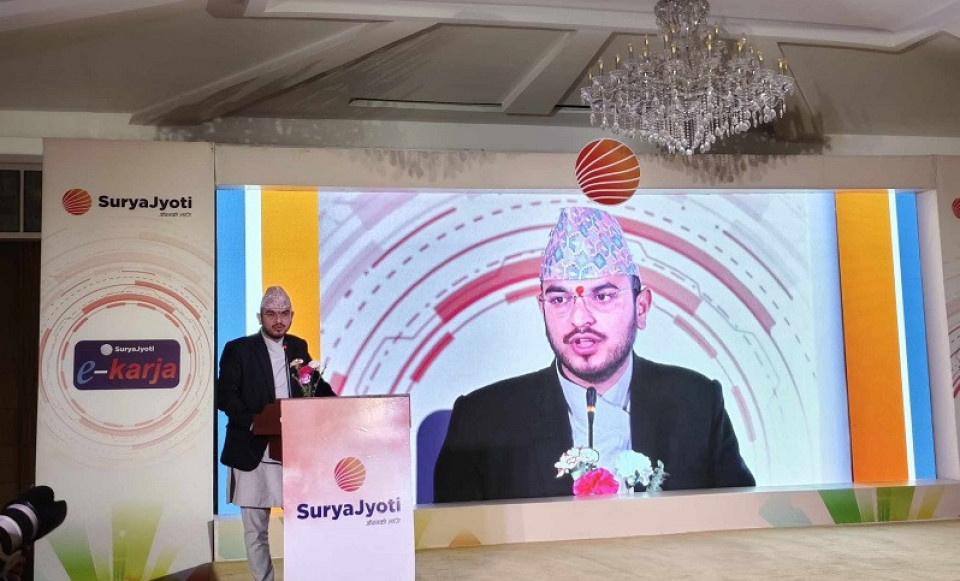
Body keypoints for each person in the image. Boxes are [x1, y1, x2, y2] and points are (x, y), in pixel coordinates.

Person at [433, 206, 754, 503]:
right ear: (542, 308)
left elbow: (741, 522)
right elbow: (456, 540)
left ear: (641, 308)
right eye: (560, 300)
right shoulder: (482, 419)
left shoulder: (697, 403)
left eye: (602, 296)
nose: (580, 319)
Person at [216, 286, 335, 581]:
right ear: (260, 317)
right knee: (255, 530)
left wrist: (340, 408)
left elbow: (316, 387)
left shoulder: (297, 347)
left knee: (303, 523)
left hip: (292, 450)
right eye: (271, 314)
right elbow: (225, 395)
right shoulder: (238, 349)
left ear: (292, 315)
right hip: (251, 449)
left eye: (284, 314)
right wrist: (254, 422)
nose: (278, 320)